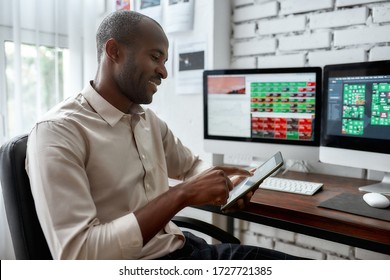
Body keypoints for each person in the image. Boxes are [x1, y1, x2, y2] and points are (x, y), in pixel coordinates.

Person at [26, 10, 302, 260]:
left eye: (165, 60)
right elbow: (80, 255)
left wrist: (225, 186)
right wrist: (182, 195)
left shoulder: (148, 121)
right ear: (114, 51)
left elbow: (191, 166)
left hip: (181, 247)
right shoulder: (58, 132)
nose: (164, 72)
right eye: (155, 57)